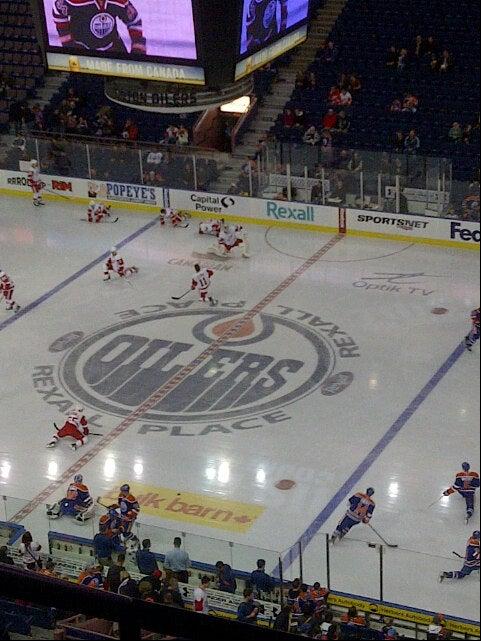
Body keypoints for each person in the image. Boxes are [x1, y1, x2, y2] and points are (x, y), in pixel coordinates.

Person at [53, 0, 146, 55]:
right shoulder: (74, 1)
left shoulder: (119, 1)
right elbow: (57, 11)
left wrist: (137, 50)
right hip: (81, 50)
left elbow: (134, 21)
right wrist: (68, 44)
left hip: (112, 47)